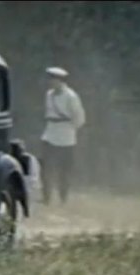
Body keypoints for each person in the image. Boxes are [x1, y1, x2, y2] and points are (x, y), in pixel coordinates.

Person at [39, 66, 85, 205]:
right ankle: (46, 196)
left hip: (66, 137)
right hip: (50, 133)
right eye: (50, 80)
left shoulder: (71, 96)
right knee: (45, 166)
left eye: (54, 80)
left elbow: (79, 117)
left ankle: (63, 197)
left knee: (64, 170)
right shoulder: (49, 94)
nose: (51, 83)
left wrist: (71, 130)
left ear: (60, 81)